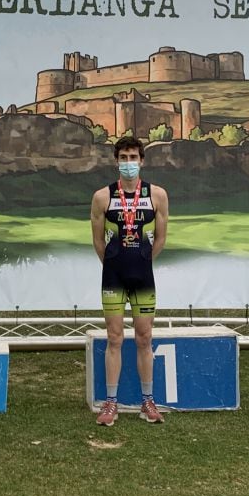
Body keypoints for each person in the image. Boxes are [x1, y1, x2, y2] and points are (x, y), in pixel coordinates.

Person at [89, 137, 169, 426]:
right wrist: (113, 262)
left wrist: (143, 261)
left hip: (143, 277)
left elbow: (160, 238)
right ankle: (110, 403)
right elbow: (98, 241)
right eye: (123, 157)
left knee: (144, 338)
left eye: (133, 157)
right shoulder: (102, 197)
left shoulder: (157, 195)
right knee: (114, 338)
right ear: (116, 161)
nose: (128, 163)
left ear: (142, 160)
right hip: (113, 276)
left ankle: (148, 401)